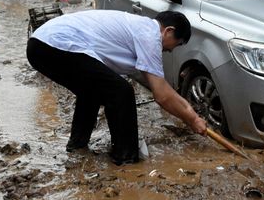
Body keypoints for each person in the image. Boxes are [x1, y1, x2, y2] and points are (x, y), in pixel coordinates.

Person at [26, 9, 207, 165]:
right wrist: (192, 119)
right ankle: (125, 159)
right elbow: (162, 95)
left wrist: (188, 115)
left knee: (92, 91)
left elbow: (159, 87)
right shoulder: (150, 35)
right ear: (168, 31)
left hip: (39, 45)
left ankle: (77, 146)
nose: (171, 50)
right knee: (121, 91)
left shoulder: (139, 28)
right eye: (177, 44)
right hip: (55, 43)